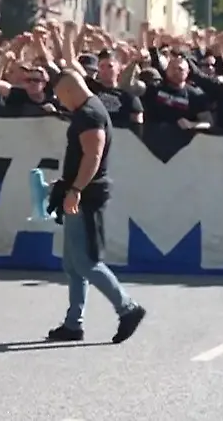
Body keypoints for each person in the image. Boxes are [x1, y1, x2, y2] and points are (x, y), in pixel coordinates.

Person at [44, 69, 146, 344]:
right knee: (72, 263)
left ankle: (128, 308)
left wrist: (75, 190)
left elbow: (93, 156)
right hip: (80, 192)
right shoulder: (88, 111)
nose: (61, 103)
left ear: (67, 91)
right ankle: (73, 323)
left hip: (87, 197)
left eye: (60, 97)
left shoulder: (89, 114)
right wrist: (67, 183)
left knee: (86, 261)